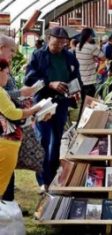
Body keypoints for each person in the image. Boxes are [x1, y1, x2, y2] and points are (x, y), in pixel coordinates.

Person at [24, 27, 82, 191]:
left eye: (63, 43)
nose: (59, 46)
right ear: (49, 39)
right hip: (43, 102)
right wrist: (50, 83)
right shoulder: (38, 55)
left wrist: (75, 90)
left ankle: (51, 177)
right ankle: (42, 179)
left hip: (61, 103)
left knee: (56, 140)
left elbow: (75, 76)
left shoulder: (69, 56)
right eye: (57, 43)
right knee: (43, 139)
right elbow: (29, 78)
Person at [0, 35, 38, 201]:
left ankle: (8, 205)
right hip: (5, 130)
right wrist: (22, 94)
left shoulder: (4, 67)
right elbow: (4, 98)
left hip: (11, 129)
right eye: (12, 51)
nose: (13, 55)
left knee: (8, 171)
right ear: (1, 47)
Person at [76, 28, 105, 101]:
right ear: (89, 36)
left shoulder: (78, 46)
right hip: (89, 80)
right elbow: (103, 57)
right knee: (89, 103)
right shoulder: (92, 47)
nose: (92, 37)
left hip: (81, 79)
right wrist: (95, 57)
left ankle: (82, 112)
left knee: (83, 101)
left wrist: (93, 57)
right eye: (91, 36)